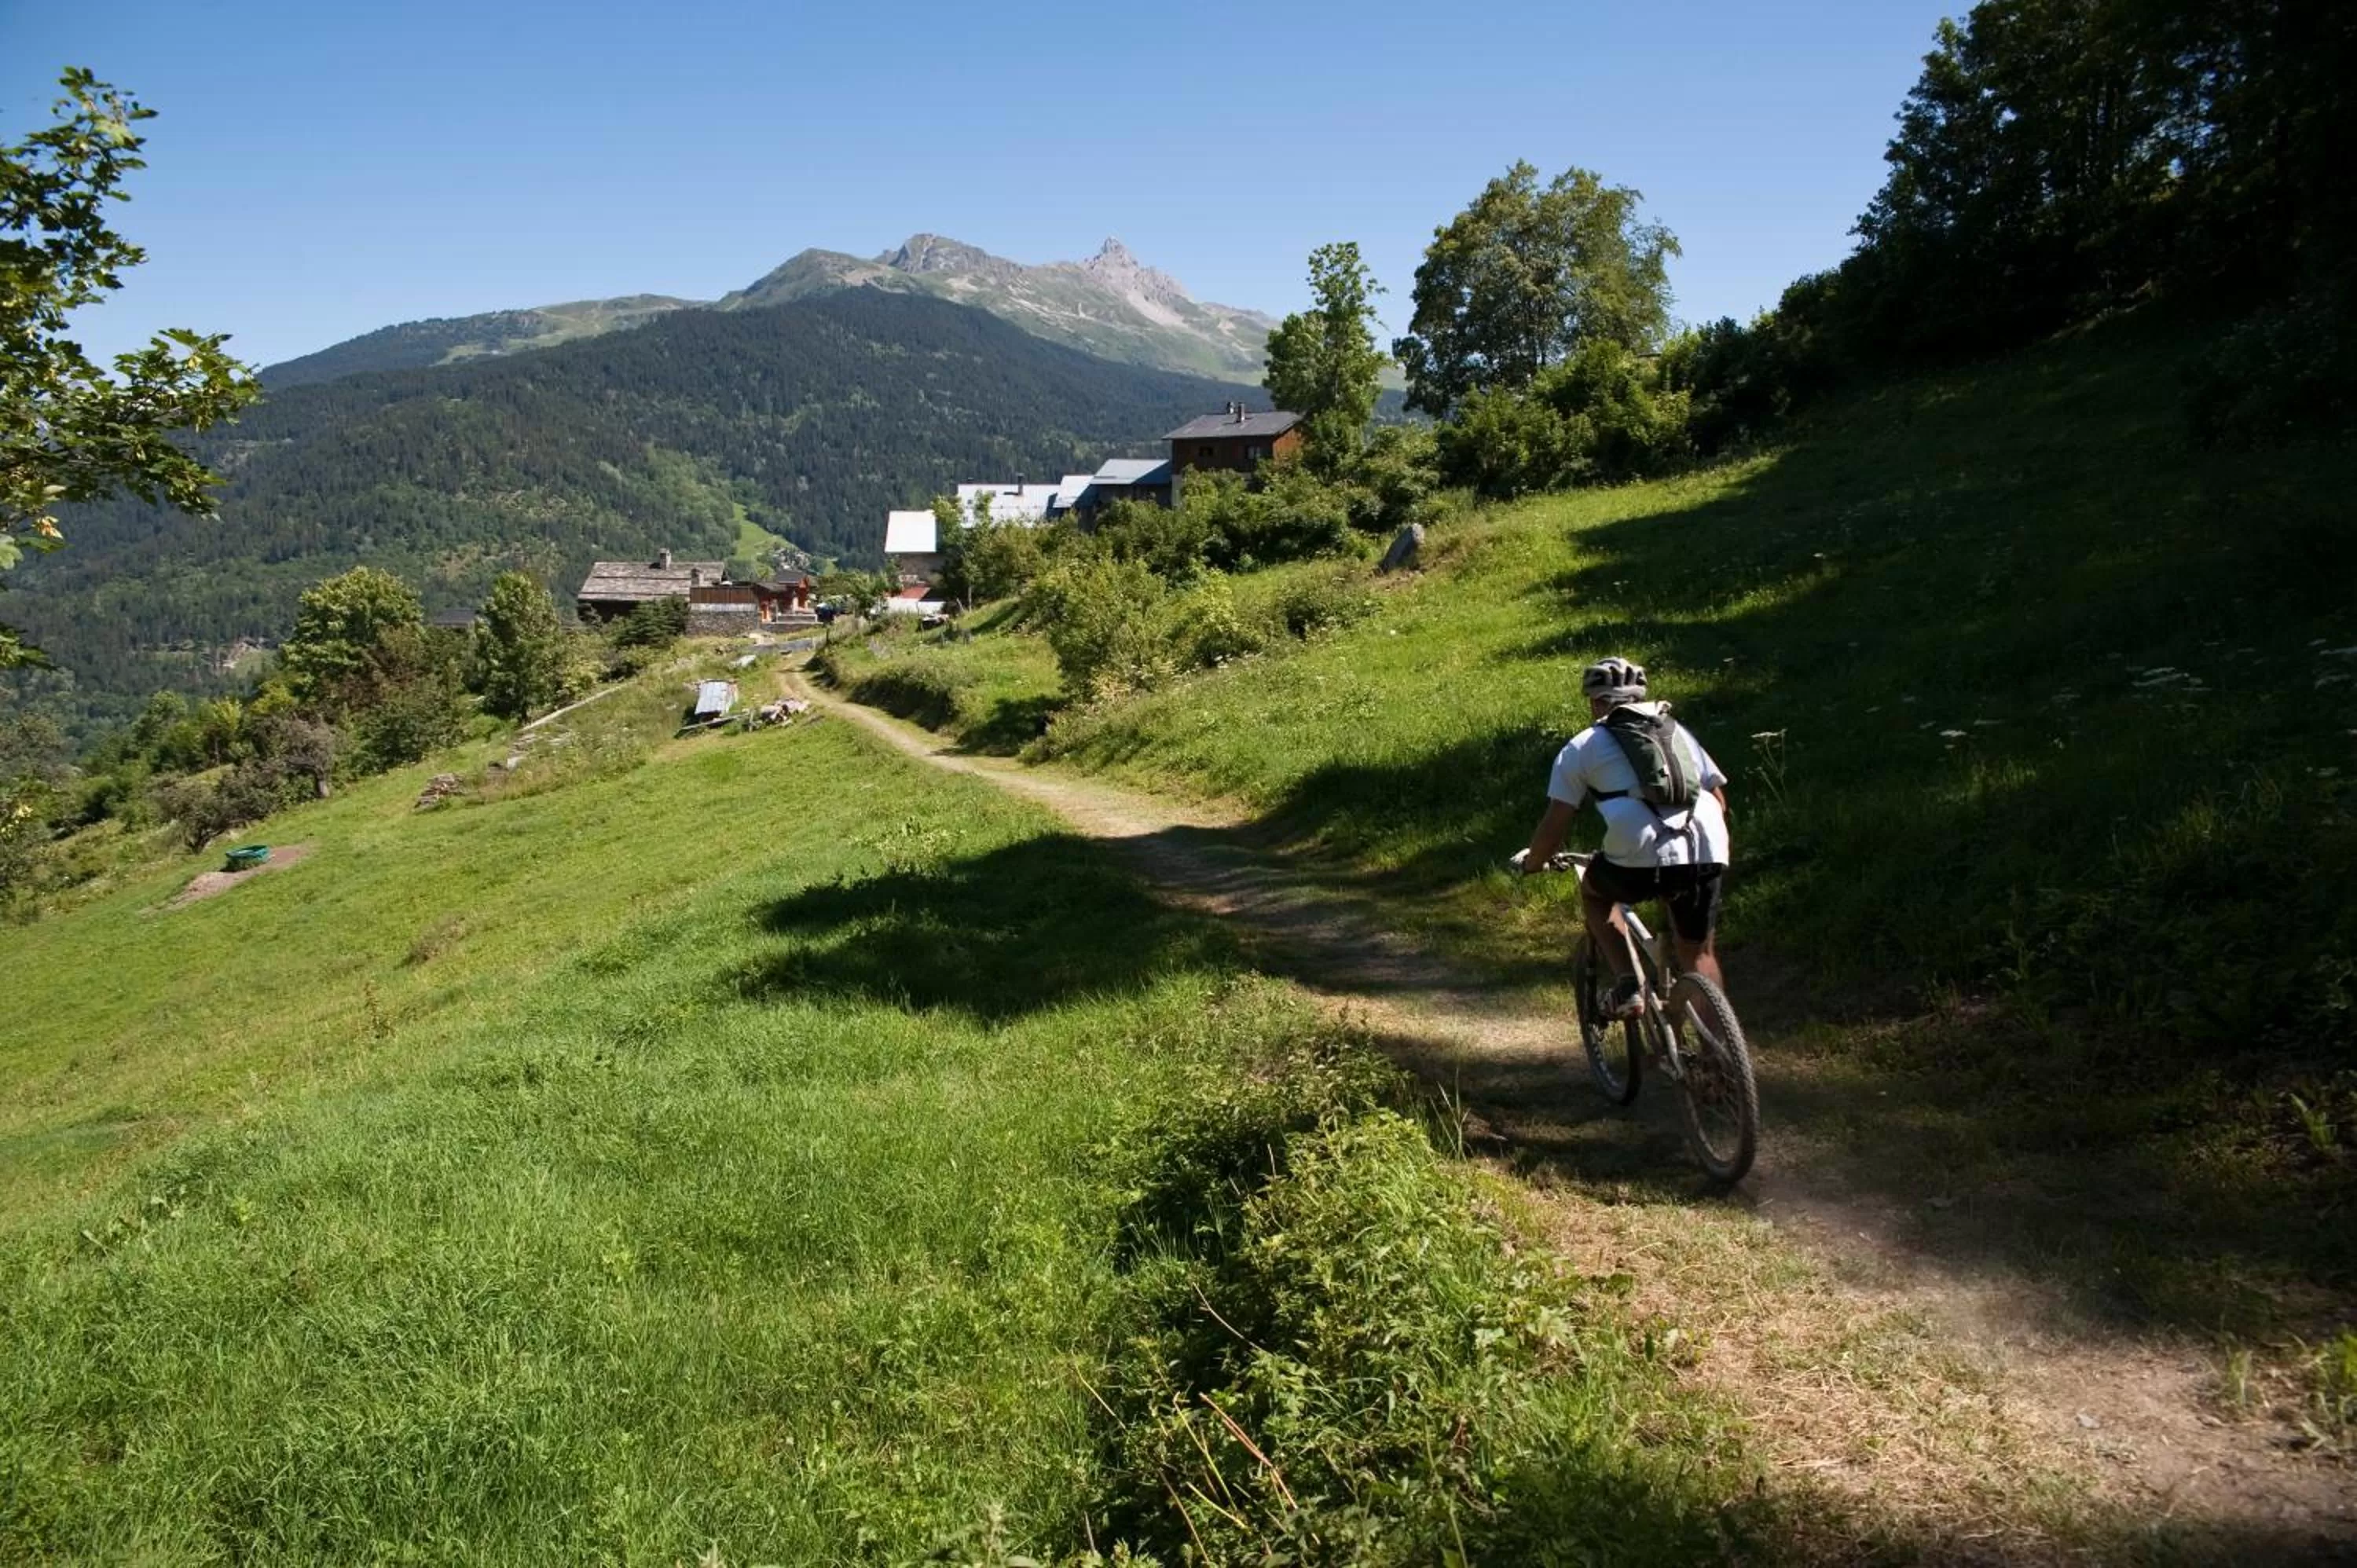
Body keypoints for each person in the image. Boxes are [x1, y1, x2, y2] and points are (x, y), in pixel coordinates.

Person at [1512, 656, 1731, 1017]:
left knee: (1595, 894)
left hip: (1640, 848)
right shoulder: (1679, 732)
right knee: (1699, 953)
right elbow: (1718, 798)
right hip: (1707, 842)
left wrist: (1534, 862)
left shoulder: (1583, 745)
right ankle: (1719, 1063)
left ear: (1596, 702)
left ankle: (1630, 986)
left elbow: (1556, 821)